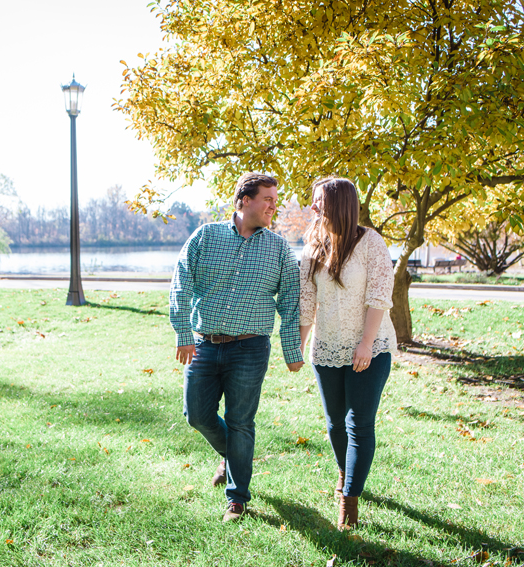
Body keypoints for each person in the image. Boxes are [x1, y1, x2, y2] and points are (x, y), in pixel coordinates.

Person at [170, 172, 305, 523]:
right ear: (245, 200)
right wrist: (183, 332)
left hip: (250, 348)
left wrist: (293, 351)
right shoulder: (206, 236)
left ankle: (237, 498)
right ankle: (233, 457)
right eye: (268, 199)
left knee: (241, 421)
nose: (274, 206)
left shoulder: (278, 249)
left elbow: (291, 301)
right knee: (196, 414)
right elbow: (181, 282)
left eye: (276, 200)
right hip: (204, 344)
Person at [298, 177, 397, 530]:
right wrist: (298, 344)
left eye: (318, 202)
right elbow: (307, 302)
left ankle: (349, 501)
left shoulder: (371, 242)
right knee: (335, 424)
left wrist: (366, 343)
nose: (313, 208)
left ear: (338, 204)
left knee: (359, 424)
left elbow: (380, 296)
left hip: (371, 347)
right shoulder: (313, 247)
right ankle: (346, 471)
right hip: (326, 349)